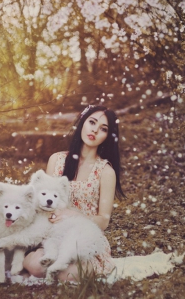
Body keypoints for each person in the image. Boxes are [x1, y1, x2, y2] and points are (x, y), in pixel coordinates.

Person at [22, 104, 126, 282]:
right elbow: (42, 202)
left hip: (84, 238)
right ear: (83, 123)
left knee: (69, 274)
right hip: (55, 234)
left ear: (107, 136)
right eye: (92, 122)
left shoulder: (106, 172)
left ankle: (65, 269)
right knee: (34, 264)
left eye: (103, 129)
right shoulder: (56, 160)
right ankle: (52, 264)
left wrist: (74, 214)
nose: (95, 130)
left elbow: (103, 220)